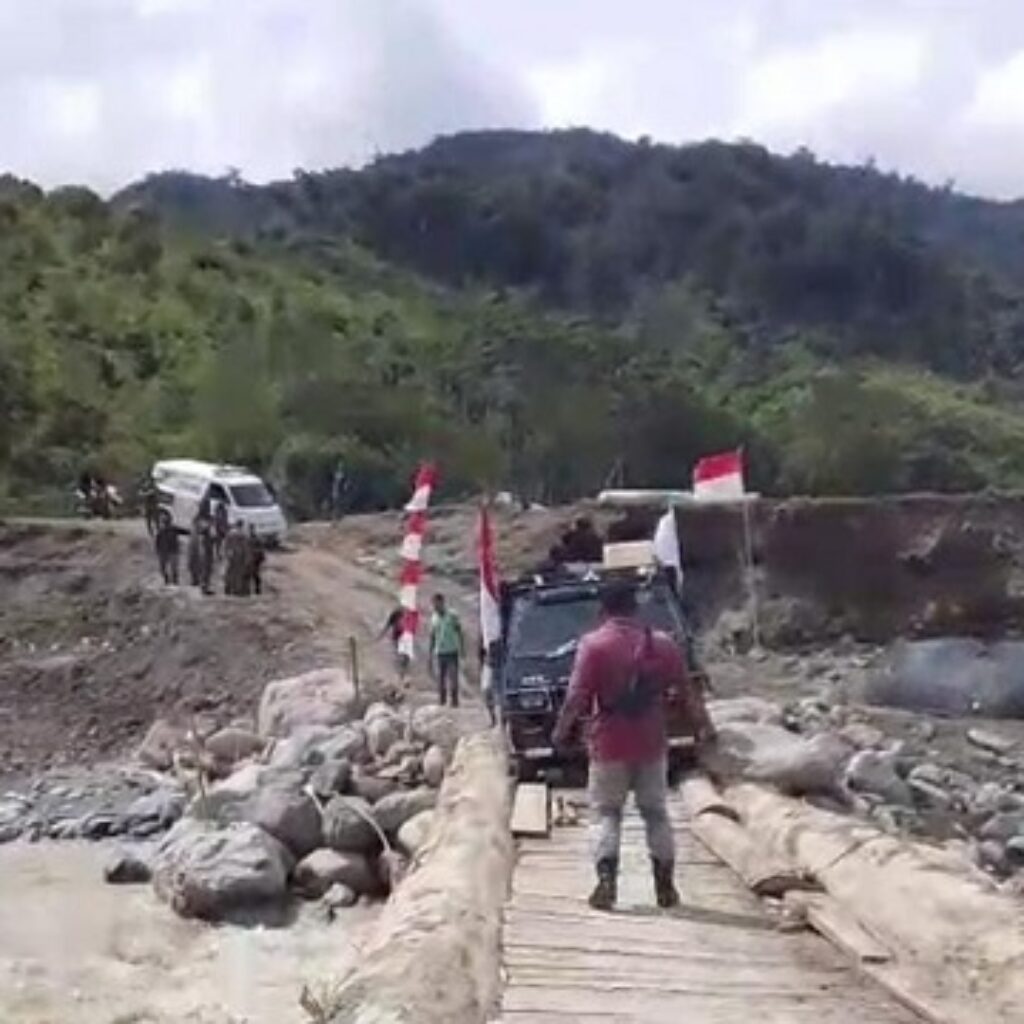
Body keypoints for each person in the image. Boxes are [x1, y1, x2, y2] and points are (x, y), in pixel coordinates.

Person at [552, 578, 715, 912]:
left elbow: (576, 698)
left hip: (608, 741)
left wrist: (561, 733)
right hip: (652, 740)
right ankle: (665, 885)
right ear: (636, 607)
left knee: (606, 813)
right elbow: (688, 692)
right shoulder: (663, 644)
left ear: (603, 609)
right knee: (656, 813)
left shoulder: (594, 645)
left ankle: (606, 881)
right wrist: (704, 727)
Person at [429, 594, 464, 707]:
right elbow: (432, 635)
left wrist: (462, 648)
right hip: (440, 652)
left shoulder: (452, 615)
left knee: (453, 676)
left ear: (442, 602)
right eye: (433, 604)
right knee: (441, 677)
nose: (435, 606)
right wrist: (430, 653)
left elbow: (459, 631)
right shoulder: (434, 618)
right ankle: (442, 700)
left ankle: (454, 700)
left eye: (437, 604)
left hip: (452, 650)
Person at [224, 521, 250, 596]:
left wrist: (227, 553)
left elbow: (226, 545)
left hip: (232, 554)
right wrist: (247, 557)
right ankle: (237, 589)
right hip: (240, 555)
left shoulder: (230, 533)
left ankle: (229, 588)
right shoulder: (243, 534)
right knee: (239, 573)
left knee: (230, 571)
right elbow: (245, 547)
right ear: (241, 525)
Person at [154, 510, 180, 585]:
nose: (163, 518)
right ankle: (167, 581)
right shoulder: (160, 530)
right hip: (164, 551)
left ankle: (174, 581)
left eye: (165, 517)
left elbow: (186, 532)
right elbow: (157, 541)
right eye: (162, 517)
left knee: (173, 568)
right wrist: (157, 550)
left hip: (173, 550)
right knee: (163, 568)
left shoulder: (174, 528)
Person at [247, 525, 265, 595]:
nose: (251, 531)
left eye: (252, 529)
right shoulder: (247, 538)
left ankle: (257, 588)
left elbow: (261, 548)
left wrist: (261, 557)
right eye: (250, 529)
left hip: (255, 558)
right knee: (251, 574)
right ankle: (252, 589)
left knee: (255, 574)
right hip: (251, 558)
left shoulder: (257, 538)